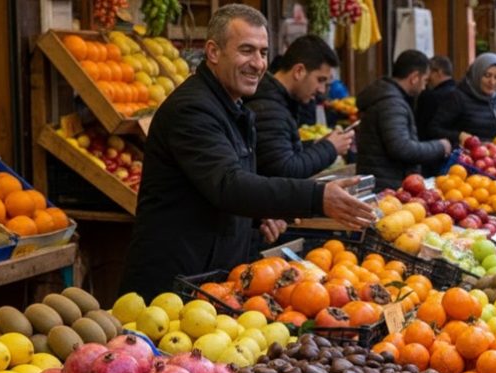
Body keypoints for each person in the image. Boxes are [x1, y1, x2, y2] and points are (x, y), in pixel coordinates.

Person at [120, 4, 375, 300]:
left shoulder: (233, 107)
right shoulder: (193, 110)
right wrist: (317, 197)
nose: (258, 63)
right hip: (172, 283)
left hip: (206, 277)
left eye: (263, 52)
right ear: (214, 52)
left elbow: (220, 184)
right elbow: (228, 185)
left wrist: (257, 216)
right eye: (246, 50)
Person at [246, 35, 352, 178]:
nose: (321, 90)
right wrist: (330, 148)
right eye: (320, 80)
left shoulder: (278, 102)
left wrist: (316, 144)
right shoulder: (269, 109)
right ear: (299, 71)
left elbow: (281, 151)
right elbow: (284, 170)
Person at [355, 50, 451, 190]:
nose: (424, 87)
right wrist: (440, 147)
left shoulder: (388, 98)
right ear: (414, 77)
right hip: (386, 187)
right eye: (424, 80)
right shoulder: (392, 103)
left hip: (382, 181)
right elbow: (401, 147)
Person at [428, 52, 496, 144]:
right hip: (465, 156)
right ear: (477, 74)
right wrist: (459, 136)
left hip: (494, 156)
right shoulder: (458, 97)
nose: (492, 82)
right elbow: (434, 129)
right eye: (487, 75)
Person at [416, 56, 456, 141]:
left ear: (439, 72)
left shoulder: (430, 97)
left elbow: (421, 129)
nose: (427, 78)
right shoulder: (461, 94)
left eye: (428, 72)